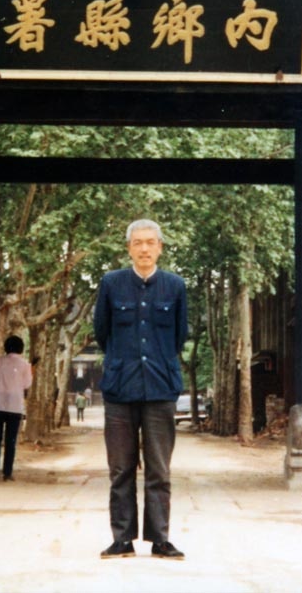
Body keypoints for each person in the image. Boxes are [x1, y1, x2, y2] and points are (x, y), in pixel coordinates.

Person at [93, 219, 188, 560]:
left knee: (159, 470)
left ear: (160, 247)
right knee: (121, 469)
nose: (144, 248)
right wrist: (124, 361)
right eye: (138, 243)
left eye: (150, 242)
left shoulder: (175, 286)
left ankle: (160, 540)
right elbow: (102, 332)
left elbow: (179, 335)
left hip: (160, 388)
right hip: (120, 389)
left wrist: (158, 362)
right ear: (129, 248)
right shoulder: (111, 283)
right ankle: (122, 540)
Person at [0, 335, 33, 482]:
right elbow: (27, 384)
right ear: (21, 348)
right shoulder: (25, 365)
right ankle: (7, 473)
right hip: (15, 406)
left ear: (6, 347)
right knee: (10, 441)